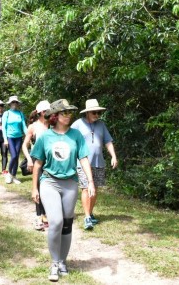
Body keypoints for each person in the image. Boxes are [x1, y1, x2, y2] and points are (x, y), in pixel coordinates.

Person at [31, 99, 94, 282]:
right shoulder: (45, 136)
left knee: (67, 224)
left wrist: (89, 182)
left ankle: (63, 261)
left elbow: (83, 159)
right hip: (49, 182)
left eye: (69, 113)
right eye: (64, 113)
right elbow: (37, 164)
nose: (68, 116)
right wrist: (34, 188)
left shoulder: (76, 135)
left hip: (70, 184)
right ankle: (54, 262)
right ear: (55, 116)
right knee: (56, 222)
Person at [72, 99, 118, 230]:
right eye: (94, 112)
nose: (97, 115)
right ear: (87, 113)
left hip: (99, 162)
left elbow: (108, 141)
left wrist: (113, 156)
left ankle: (90, 213)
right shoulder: (77, 124)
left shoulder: (101, 125)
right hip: (82, 163)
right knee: (86, 188)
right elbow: (69, 140)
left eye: (98, 112)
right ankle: (87, 217)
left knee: (95, 189)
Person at [23, 100, 50, 230]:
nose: (48, 113)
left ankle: (45, 214)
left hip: (50, 160)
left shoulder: (52, 125)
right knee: (38, 188)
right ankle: (38, 216)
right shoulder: (33, 127)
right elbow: (24, 145)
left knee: (48, 188)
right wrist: (28, 159)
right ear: (40, 113)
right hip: (36, 159)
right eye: (46, 111)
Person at [2, 95, 27, 185]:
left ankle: (14, 175)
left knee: (16, 157)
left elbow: (24, 126)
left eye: (16, 102)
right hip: (10, 137)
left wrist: (28, 135)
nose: (14, 104)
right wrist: (5, 139)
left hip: (19, 137)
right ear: (10, 103)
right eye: (13, 102)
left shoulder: (20, 114)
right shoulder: (6, 113)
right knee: (14, 156)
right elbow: (4, 127)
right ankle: (8, 174)